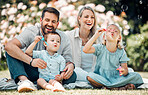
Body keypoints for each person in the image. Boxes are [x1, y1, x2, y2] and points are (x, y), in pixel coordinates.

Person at [4, 7, 76, 92]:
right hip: (32, 70)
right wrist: (31, 61)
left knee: (73, 76)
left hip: (53, 73)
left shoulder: (63, 37)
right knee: (11, 51)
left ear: (57, 24)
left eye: (53, 22)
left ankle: (48, 83)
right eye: (47, 20)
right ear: (41, 20)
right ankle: (24, 81)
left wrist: (70, 65)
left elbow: (68, 60)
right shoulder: (31, 32)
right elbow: (9, 46)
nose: (49, 24)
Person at [83, 24, 144, 90]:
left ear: (119, 38)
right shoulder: (100, 48)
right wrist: (96, 35)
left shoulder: (121, 51)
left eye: (115, 31)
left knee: (137, 76)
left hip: (116, 78)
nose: (112, 32)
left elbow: (125, 69)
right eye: (109, 30)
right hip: (101, 77)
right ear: (104, 37)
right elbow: (85, 50)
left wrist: (123, 71)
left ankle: (110, 87)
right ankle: (117, 87)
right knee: (90, 76)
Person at [65, 6, 102, 82]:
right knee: (76, 70)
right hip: (79, 74)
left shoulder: (99, 35)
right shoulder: (69, 36)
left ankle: (96, 80)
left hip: (97, 73)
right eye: (86, 17)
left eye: (92, 17)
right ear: (79, 18)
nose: (90, 20)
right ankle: (97, 81)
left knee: (129, 71)